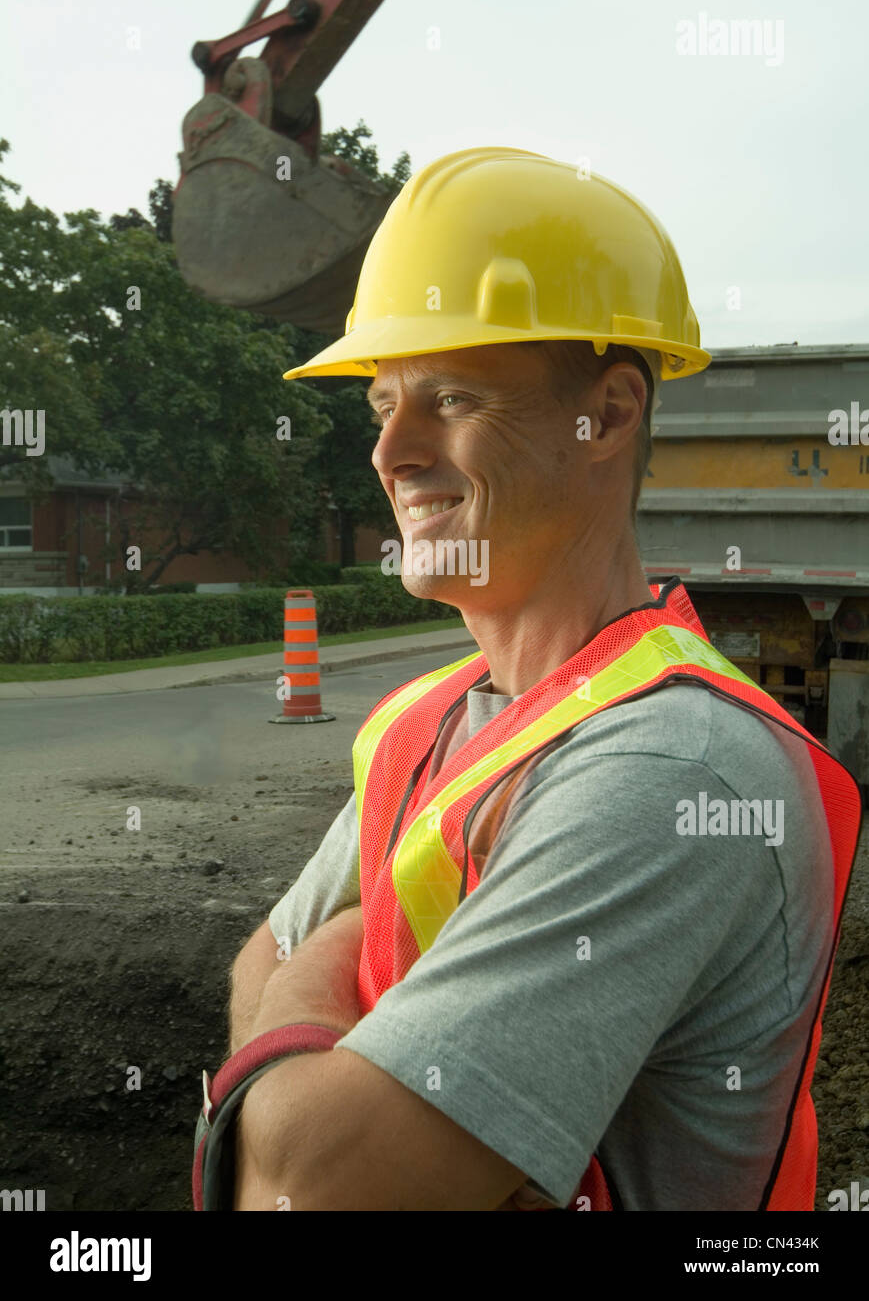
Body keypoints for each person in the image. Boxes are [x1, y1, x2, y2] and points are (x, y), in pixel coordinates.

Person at [194, 147, 860, 1212]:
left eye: (448, 397)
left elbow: (303, 1183)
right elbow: (246, 966)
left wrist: (322, 960)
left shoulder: (676, 770)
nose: (391, 453)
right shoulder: (427, 720)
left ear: (609, 412)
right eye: (380, 404)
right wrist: (299, 1050)